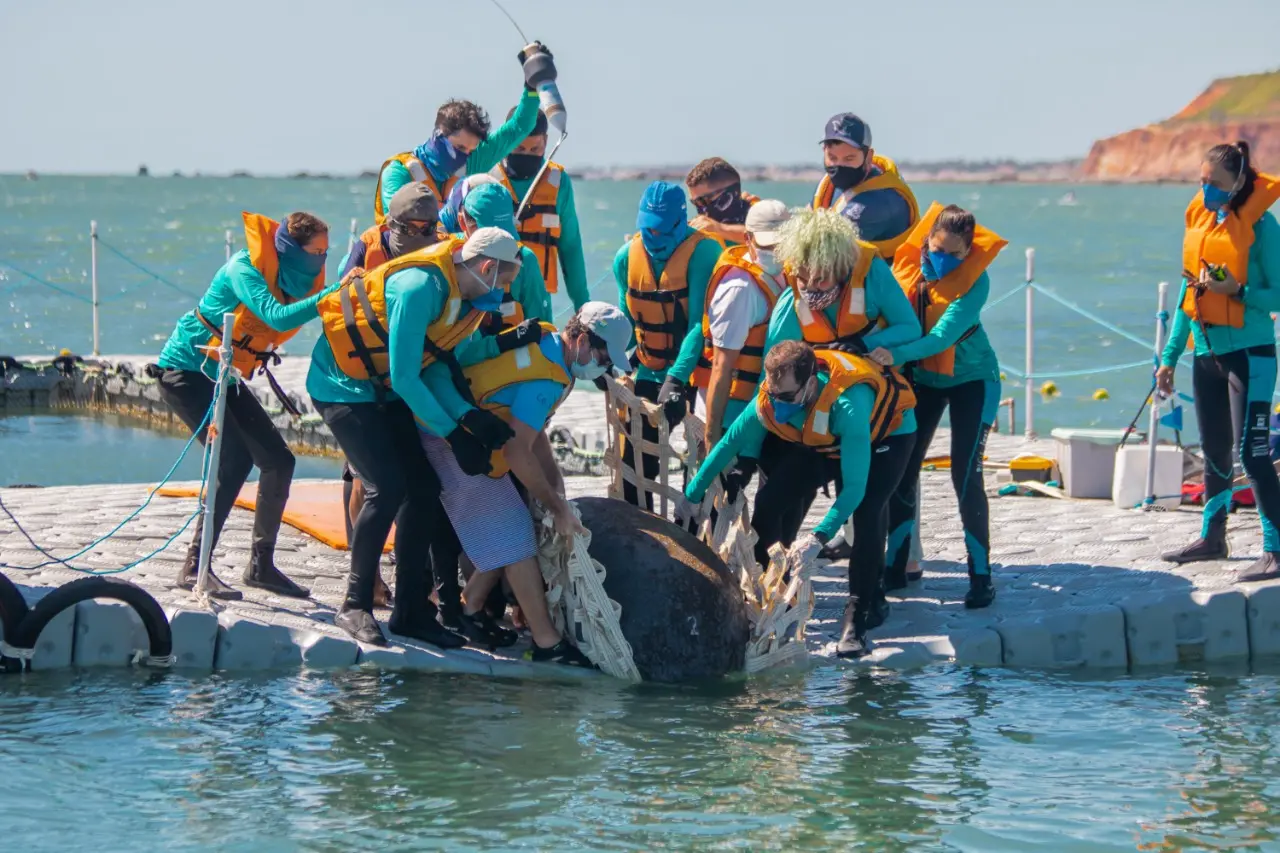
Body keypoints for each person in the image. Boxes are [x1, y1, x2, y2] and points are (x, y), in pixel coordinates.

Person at [307, 227, 541, 646]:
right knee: (387, 487)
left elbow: (434, 364)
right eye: (504, 281)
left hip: (386, 387)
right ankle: (355, 604)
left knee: (425, 488)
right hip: (343, 386)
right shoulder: (419, 288)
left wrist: (469, 418)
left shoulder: (464, 297)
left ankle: (411, 609)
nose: (505, 292)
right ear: (487, 267)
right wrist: (454, 433)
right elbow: (406, 376)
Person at [419, 303, 634, 665]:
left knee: (514, 521)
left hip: (474, 435)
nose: (604, 366)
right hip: (446, 438)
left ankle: (469, 608)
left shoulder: (551, 345)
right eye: (601, 355)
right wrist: (556, 507)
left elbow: (533, 435)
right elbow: (519, 453)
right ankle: (547, 642)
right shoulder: (546, 379)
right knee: (516, 532)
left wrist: (555, 487)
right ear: (580, 339)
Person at [678, 341, 916, 658]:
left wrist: (818, 537)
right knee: (770, 500)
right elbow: (729, 444)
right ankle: (769, 598)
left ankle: (856, 620)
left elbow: (855, 489)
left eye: (786, 398)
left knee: (868, 513)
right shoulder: (773, 396)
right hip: (826, 440)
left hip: (886, 437)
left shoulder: (848, 405)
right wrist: (690, 497)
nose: (777, 406)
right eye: (773, 395)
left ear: (810, 383)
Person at [154, 211, 337, 601]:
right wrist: (331, 295)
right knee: (232, 461)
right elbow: (274, 315)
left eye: (326, 252)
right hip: (185, 371)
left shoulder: (294, 278)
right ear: (289, 249)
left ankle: (261, 567)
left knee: (278, 460)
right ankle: (194, 567)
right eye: (314, 252)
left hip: (225, 374)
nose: (320, 261)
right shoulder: (244, 268)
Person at [761, 207, 922, 563]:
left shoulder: (871, 272)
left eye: (820, 278)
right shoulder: (794, 295)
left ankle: (896, 570)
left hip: (873, 404)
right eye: (803, 277)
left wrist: (862, 347)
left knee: (874, 498)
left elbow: (911, 329)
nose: (810, 286)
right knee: (781, 487)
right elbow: (772, 367)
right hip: (815, 404)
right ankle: (776, 570)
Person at [1157, 141, 1280, 581]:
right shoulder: (1202, 225)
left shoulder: (1264, 230)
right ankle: (1213, 537)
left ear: (1240, 183)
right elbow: (1190, 298)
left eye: (1215, 183)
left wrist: (1238, 293)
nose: (1206, 190)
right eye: (1202, 181)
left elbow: (1278, 294)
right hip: (1206, 353)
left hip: (1251, 356)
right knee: (1213, 449)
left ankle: (1275, 548)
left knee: (1253, 451)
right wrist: (1169, 358)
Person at [882, 203, 1008, 609]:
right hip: (925, 381)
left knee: (965, 475)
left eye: (956, 254)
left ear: (968, 253)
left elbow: (939, 339)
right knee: (901, 470)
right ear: (925, 240)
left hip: (973, 381)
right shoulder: (903, 268)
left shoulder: (976, 282)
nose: (945, 259)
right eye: (938, 248)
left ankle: (981, 576)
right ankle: (895, 568)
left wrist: (891, 354)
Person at [338, 183, 444, 608]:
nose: (420, 234)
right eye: (411, 227)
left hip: (411, 374)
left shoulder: (438, 247)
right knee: (369, 480)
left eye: (428, 227)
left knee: (418, 483)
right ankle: (367, 577)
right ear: (390, 223)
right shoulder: (366, 246)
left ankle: (416, 582)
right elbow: (337, 303)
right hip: (363, 377)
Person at [612, 181, 723, 509]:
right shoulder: (625, 258)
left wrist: (676, 379)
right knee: (635, 455)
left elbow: (698, 327)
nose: (654, 239)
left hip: (695, 373)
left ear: (681, 221)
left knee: (697, 456)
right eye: (648, 230)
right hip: (651, 367)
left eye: (663, 231)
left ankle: (691, 528)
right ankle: (640, 528)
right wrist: (608, 353)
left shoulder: (704, 253)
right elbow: (628, 325)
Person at [372, 44, 554, 223]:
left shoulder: (471, 161)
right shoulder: (398, 173)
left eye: (469, 150)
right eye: (459, 147)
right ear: (438, 135)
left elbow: (519, 127)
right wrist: (451, 213)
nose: (463, 157)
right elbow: (400, 227)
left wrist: (532, 86)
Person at [689, 200, 791, 461]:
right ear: (748, 239)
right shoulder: (740, 289)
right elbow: (722, 367)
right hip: (731, 414)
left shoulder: (785, 273)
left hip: (767, 411)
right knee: (720, 498)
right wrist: (712, 440)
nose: (775, 251)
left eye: (783, 243)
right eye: (767, 244)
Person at [491, 107, 591, 311]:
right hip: (492, 295)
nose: (526, 155)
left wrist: (582, 304)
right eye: (519, 149)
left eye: (534, 150)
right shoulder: (485, 176)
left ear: (545, 142)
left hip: (539, 298)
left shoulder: (558, 181)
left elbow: (570, 246)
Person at [812, 113, 919, 259]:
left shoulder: (879, 201)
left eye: (849, 159)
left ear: (868, 157)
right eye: (832, 158)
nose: (839, 166)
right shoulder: (829, 186)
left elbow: (825, 248)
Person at [455, 182, 553, 330]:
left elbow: (542, 325)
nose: (500, 238)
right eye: (489, 234)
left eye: (505, 234)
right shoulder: (450, 253)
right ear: (463, 223)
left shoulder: (525, 260)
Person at [686, 157, 759, 247]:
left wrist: (719, 229)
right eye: (695, 203)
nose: (701, 210)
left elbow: (764, 236)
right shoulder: (703, 227)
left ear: (730, 194)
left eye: (703, 200)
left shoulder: (760, 214)